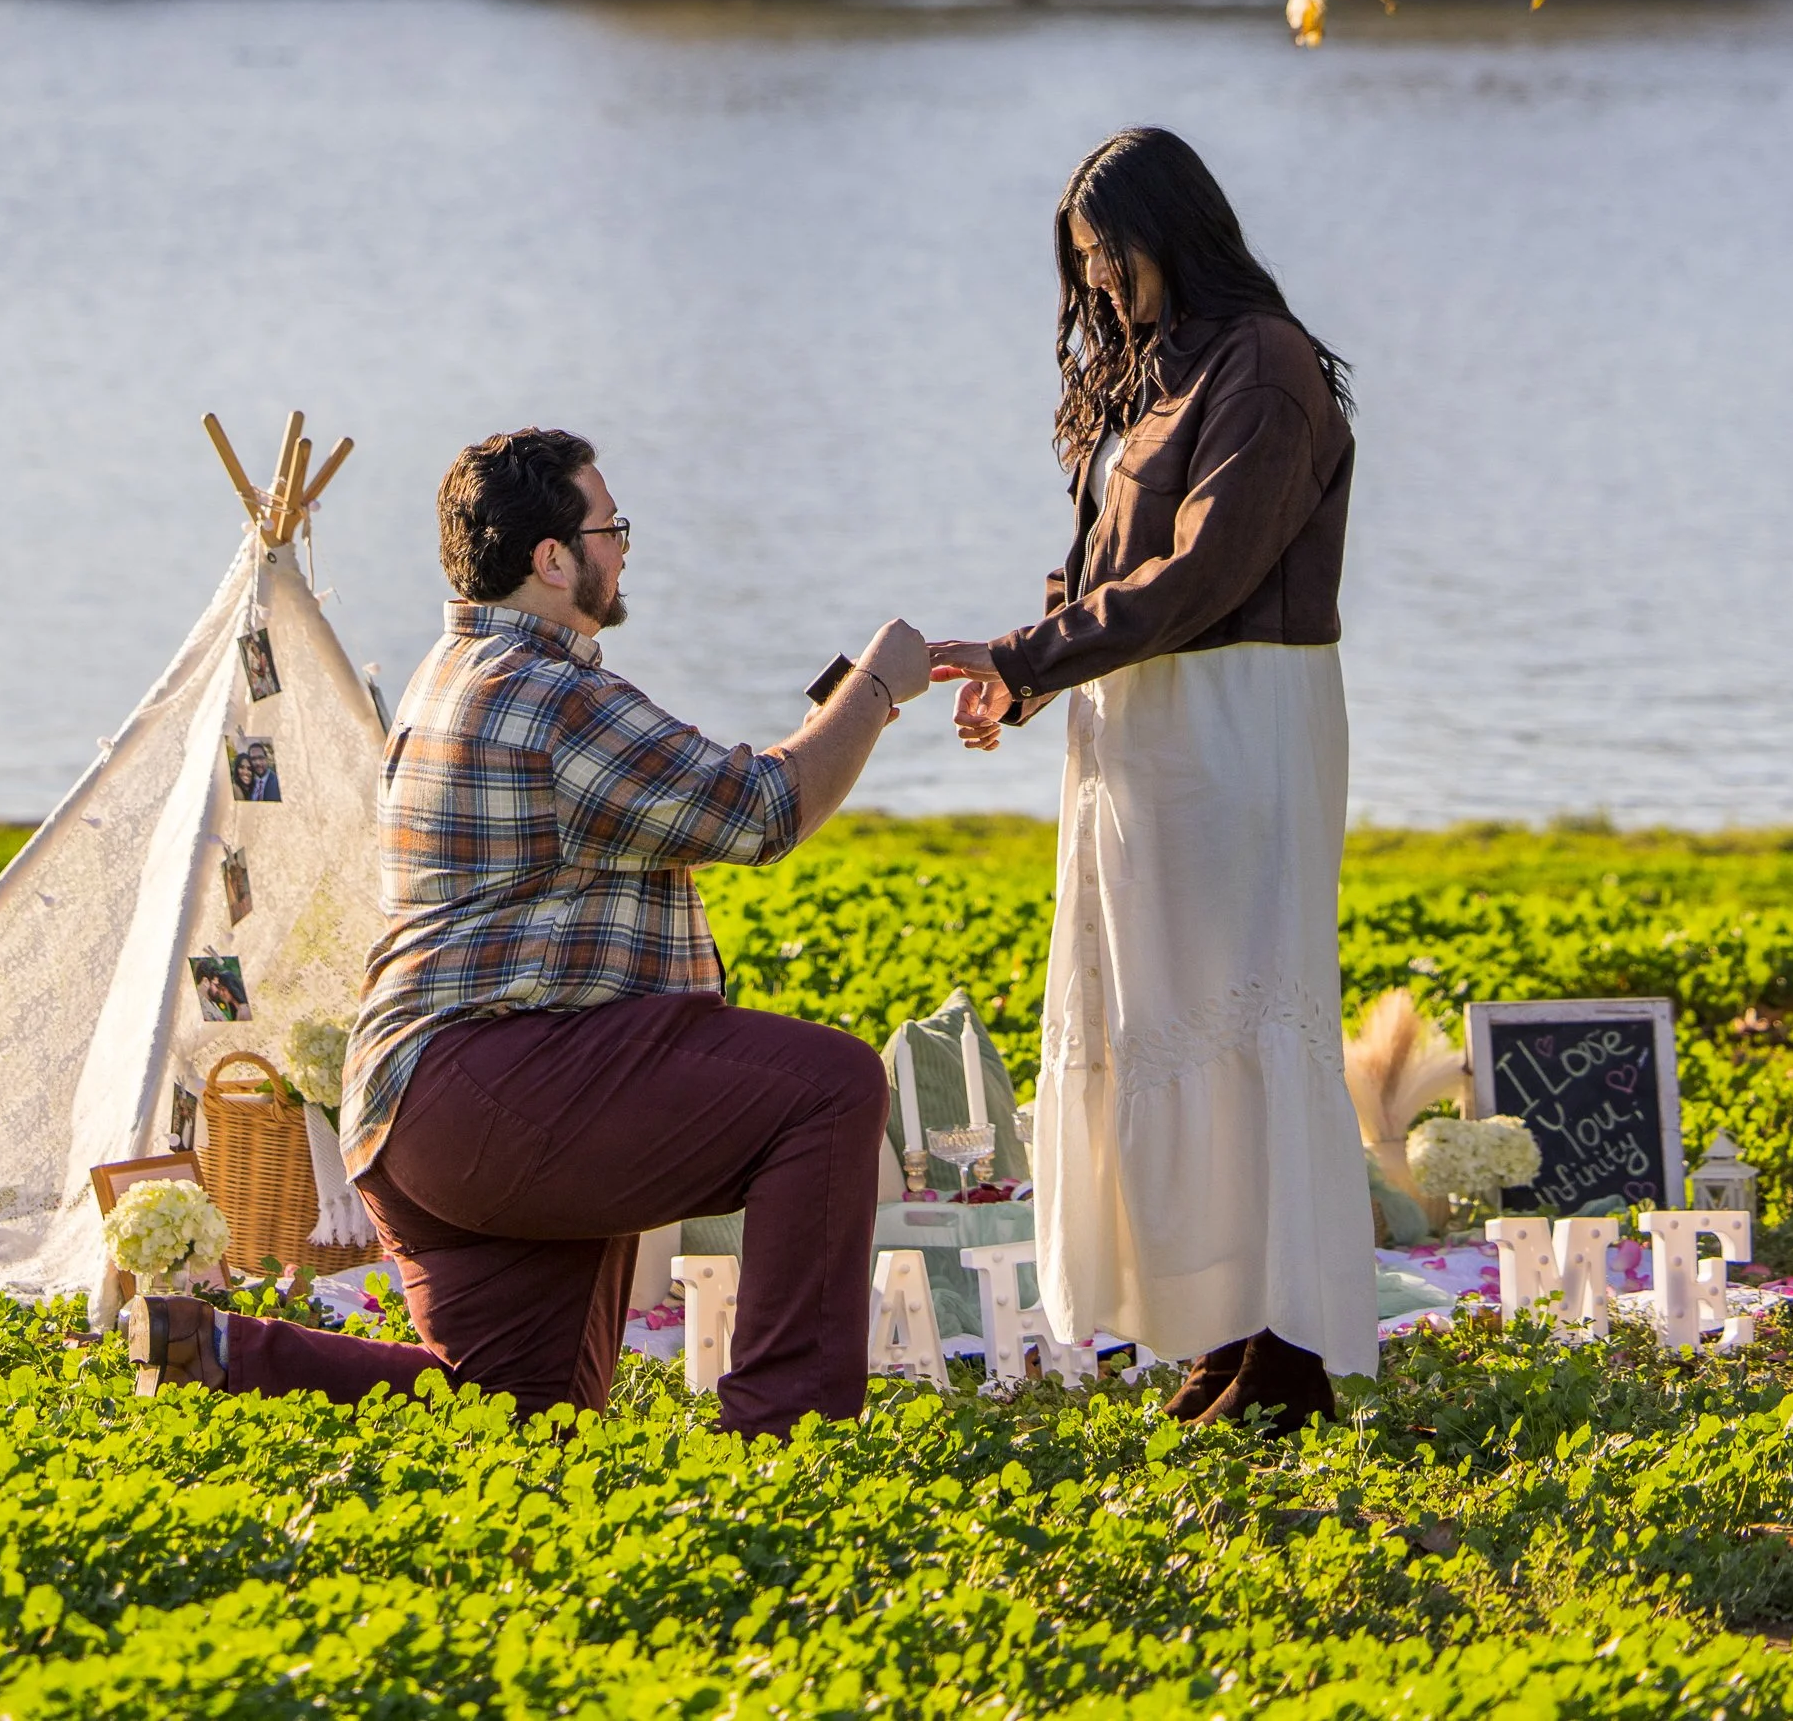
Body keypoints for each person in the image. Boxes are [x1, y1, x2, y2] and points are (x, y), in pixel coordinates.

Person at [129, 425, 927, 1432]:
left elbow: (700, 793)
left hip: (409, 1118)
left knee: (522, 1413)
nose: (624, 548)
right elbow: (762, 809)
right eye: (610, 525)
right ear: (554, 558)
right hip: (498, 1090)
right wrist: (881, 685)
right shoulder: (552, 695)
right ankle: (785, 1434)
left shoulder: (448, 673)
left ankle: (228, 1351)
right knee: (829, 1086)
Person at [928, 125, 1377, 1431]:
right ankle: (1223, 1319)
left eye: (1113, 255)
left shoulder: (1266, 367)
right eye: (1085, 265)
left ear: (1174, 233)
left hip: (1242, 718)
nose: (1103, 285)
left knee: (1245, 1016)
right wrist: (1029, 672)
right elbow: (1103, 561)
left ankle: (1289, 1348)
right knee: (1158, 1019)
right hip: (1139, 731)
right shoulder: (1149, 370)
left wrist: (1027, 653)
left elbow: (1203, 574)